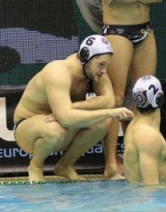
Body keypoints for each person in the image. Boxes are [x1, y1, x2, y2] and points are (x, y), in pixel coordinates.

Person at [89, 0, 166, 179]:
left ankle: (141, 157)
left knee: (146, 95)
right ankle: (111, 163)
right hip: (118, 31)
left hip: (145, 30)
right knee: (116, 98)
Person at [13, 35, 134, 183]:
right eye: (101, 65)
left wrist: (75, 106)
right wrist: (109, 112)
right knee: (54, 131)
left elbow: (109, 100)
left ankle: (64, 166)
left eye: (106, 65)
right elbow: (65, 118)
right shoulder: (58, 72)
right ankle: (35, 166)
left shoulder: (93, 70)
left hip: (60, 124)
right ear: (85, 58)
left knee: (103, 122)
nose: (103, 71)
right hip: (28, 128)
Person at [124, 75, 166, 185]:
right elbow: (151, 187)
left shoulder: (135, 126)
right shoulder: (148, 135)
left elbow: (154, 156)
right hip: (150, 194)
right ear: (160, 98)